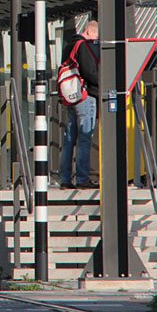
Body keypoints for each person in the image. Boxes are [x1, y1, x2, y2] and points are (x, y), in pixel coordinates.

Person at [59, 20, 100, 190]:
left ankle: (65, 178)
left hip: (71, 95)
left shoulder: (70, 45)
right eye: (96, 36)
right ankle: (82, 178)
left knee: (69, 138)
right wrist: (102, 85)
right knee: (85, 136)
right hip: (85, 96)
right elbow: (90, 71)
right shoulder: (84, 45)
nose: (96, 40)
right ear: (90, 31)